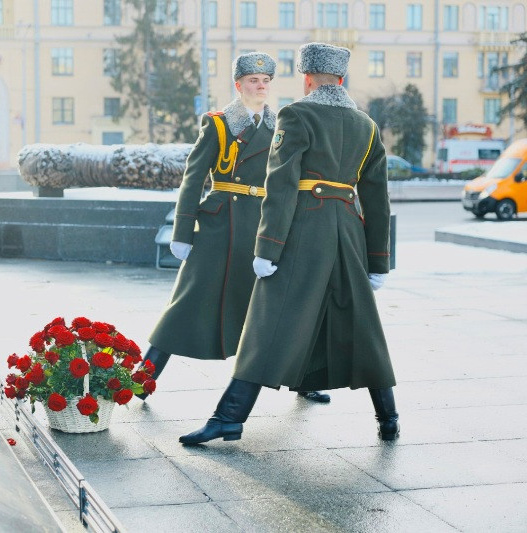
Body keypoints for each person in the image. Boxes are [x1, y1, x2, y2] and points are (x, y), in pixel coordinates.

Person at [180, 42, 399, 445]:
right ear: (342, 79)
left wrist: (267, 249)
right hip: (348, 232)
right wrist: (378, 261)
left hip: (303, 231)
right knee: (361, 324)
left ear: (307, 78)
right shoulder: (366, 125)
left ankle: (229, 418)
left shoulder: (296, 114)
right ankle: (388, 417)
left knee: (268, 323)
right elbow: (377, 197)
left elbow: (279, 185)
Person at [138, 51, 329, 404]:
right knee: (187, 303)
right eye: (254, 81)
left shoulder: (281, 127)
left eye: (266, 81)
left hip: (265, 226)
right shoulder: (219, 123)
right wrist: (182, 232)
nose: (261, 86)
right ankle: (142, 378)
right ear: (238, 85)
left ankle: (303, 379)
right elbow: (193, 179)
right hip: (220, 226)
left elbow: (292, 180)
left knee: (281, 306)